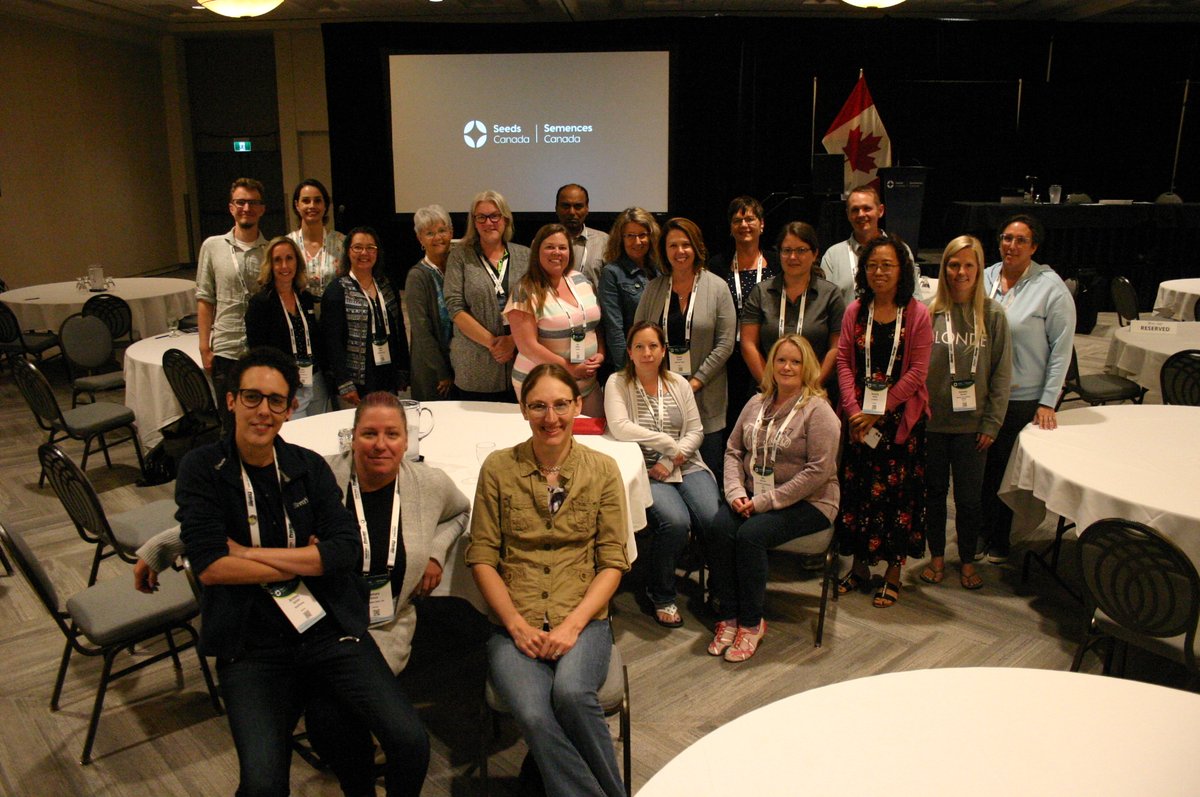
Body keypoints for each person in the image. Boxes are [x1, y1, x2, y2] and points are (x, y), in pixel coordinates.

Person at [175, 347, 429, 796]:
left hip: (327, 631)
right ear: (231, 400)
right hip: (252, 647)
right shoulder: (202, 470)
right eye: (252, 397)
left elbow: (341, 552)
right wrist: (299, 559)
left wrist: (248, 555)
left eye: (276, 401)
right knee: (263, 786)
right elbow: (211, 566)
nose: (263, 411)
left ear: (291, 408)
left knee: (410, 742)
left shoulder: (306, 467)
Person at [466, 363, 630, 797]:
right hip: (513, 622)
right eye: (538, 406)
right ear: (523, 410)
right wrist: (516, 626)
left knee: (573, 695)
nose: (550, 417)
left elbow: (613, 560)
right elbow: (481, 556)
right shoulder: (499, 469)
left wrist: (573, 625)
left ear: (578, 405)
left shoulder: (603, 470)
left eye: (561, 404)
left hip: (583, 618)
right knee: (537, 717)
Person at [706, 334, 840, 661]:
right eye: (781, 360)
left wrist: (765, 502)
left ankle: (752, 624)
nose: (787, 367)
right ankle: (730, 615)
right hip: (752, 495)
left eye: (795, 361)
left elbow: (818, 471)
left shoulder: (818, 410)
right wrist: (735, 492)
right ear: (771, 365)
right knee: (719, 528)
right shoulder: (756, 403)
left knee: (752, 535)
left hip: (812, 502)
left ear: (807, 366)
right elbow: (734, 450)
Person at [835, 236, 933, 609]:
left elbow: (917, 372)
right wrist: (854, 409)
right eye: (872, 265)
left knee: (898, 500)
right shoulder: (855, 311)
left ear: (902, 270)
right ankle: (859, 567)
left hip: (900, 425)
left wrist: (881, 409)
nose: (879, 272)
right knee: (857, 495)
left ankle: (893, 573)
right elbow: (844, 362)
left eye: (887, 265)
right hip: (860, 421)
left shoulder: (917, 314)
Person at [604, 321, 720, 628]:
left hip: (684, 464)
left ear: (663, 350)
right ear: (629, 352)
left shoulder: (679, 384)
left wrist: (672, 458)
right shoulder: (617, 383)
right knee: (676, 523)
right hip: (646, 470)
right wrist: (667, 444)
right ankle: (662, 594)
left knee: (712, 518)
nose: (646, 353)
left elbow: (695, 430)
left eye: (653, 346)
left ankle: (718, 590)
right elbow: (620, 426)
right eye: (639, 347)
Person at [979, 214, 1075, 563]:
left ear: (1034, 247)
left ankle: (1002, 537)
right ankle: (979, 531)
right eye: (1006, 238)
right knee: (982, 468)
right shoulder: (986, 276)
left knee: (1007, 470)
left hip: (1022, 397)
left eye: (1021, 240)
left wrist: (1048, 401)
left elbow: (1061, 351)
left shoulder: (1051, 289)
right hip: (982, 393)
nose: (1012, 246)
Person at [921, 235, 1012, 590]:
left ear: (979, 270)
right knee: (933, 493)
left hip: (975, 427)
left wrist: (993, 422)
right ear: (944, 268)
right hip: (932, 425)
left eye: (968, 265)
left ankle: (968, 560)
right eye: (953, 265)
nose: (960, 272)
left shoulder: (993, 315)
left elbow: (1003, 374)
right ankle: (937, 557)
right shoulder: (927, 313)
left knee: (970, 500)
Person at [632, 217, 737, 479]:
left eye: (686, 245)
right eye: (672, 246)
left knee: (707, 475)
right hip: (660, 396)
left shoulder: (718, 287)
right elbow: (639, 334)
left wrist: (695, 382)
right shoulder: (654, 289)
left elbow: (725, 343)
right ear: (664, 251)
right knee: (662, 473)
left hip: (706, 395)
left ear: (697, 247)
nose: (680, 252)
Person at [506, 224, 606, 417]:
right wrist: (569, 368)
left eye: (562, 247)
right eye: (549, 247)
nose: (557, 252)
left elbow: (594, 325)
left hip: (586, 383)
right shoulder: (525, 290)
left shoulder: (580, 280)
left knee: (594, 440)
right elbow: (527, 346)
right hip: (543, 386)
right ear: (537, 251)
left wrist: (600, 353)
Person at [444, 190, 531, 402]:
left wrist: (512, 341)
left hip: (520, 359)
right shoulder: (459, 256)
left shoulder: (525, 255)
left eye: (494, 215)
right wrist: (494, 343)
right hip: (474, 362)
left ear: (505, 219)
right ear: (474, 222)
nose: (488, 222)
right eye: (481, 217)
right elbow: (454, 306)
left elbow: (536, 305)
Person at [196, 177, 269, 429]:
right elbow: (205, 299)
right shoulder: (212, 246)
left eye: (252, 203)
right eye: (240, 202)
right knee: (229, 423)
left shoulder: (271, 251)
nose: (246, 208)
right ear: (231, 207)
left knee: (260, 420)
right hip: (226, 348)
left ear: (262, 209)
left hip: (260, 349)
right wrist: (205, 347)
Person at [741, 221, 844, 390]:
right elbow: (748, 344)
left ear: (815, 253)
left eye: (801, 250)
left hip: (816, 393)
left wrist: (812, 387)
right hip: (768, 391)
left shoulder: (830, 294)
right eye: (787, 250)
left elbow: (836, 347)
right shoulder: (761, 292)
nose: (793, 257)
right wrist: (770, 385)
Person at [708, 197, 781, 430]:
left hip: (769, 351)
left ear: (762, 224)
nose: (744, 225)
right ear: (731, 228)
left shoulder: (778, 264)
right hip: (729, 357)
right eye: (737, 220)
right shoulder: (718, 266)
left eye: (750, 219)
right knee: (735, 419)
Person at [321, 226, 410, 406]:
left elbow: (399, 329)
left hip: (387, 376)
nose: (365, 253)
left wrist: (403, 370)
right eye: (358, 247)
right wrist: (344, 383)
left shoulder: (386, 285)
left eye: (371, 248)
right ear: (348, 251)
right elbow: (332, 341)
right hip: (356, 384)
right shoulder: (337, 290)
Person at [245, 236, 330, 418]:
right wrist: (282, 391)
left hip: (315, 381)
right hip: (286, 387)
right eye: (278, 260)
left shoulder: (305, 298)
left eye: (289, 258)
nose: (284, 266)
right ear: (270, 265)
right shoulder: (261, 303)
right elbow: (259, 356)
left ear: (297, 262)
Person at [818, 185, 920, 307]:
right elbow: (824, 304)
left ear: (880, 211)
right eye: (855, 210)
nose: (861, 214)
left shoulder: (900, 249)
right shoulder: (833, 255)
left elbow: (914, 297)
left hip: (895, 325)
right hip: (845, 325)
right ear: (848, 214)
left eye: (867, 208)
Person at [598, 207, 661, 371]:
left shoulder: (661, 269)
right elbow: (614, 329)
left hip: (660, 358)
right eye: (630, 236)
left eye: (642, 235)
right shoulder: (612, 273)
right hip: (630, 361)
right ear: (621, 239)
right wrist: (626, 370)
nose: (637, 242)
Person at [405, 204, 456, 400]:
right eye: (430, 233)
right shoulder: (417, 276)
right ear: (420, 238)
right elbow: (421, 329)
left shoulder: (458, 267)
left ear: (451, 232)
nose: (438, 237)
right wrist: (442, 372)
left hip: (459, 363)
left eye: (442, 230)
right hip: (433, 370)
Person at [287, 178, 345, 300]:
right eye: (306, 201)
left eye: (318, 201)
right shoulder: (287, 245)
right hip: (299, 314)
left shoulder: (342, 242)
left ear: (325, 205)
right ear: (297, 205)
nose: (312, 206)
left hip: (335, 313)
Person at [556, 183, 610, 290]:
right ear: (556, 208)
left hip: (594, 305)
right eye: (566, 206)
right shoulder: (543, 241)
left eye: (578, 206)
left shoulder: (604, 241)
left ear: (587, 209)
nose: (572, 212)